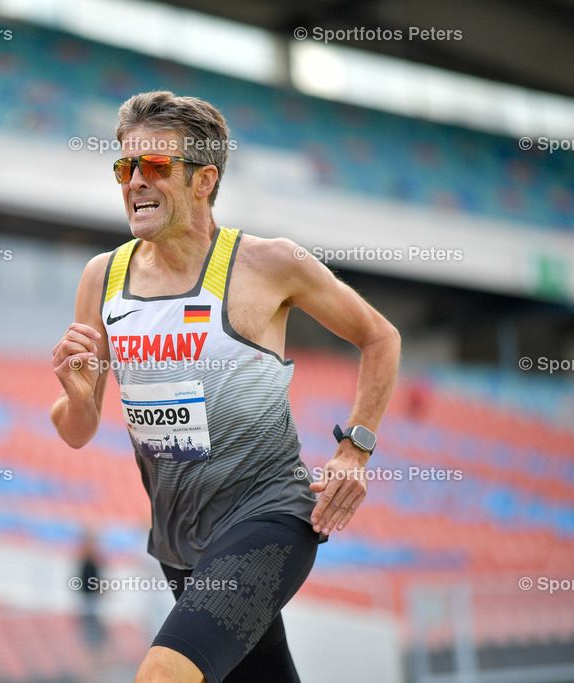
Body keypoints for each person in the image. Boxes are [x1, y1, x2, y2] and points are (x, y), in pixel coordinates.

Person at [51, 91, 401, 683]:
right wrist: (79, 395)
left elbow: (380, 337)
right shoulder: (102, 277)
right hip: (180, 540)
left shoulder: (269, 264)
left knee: (164, 675)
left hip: (271, 516)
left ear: (203, 180)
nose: (134, 181)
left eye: (155, 167)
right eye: (124, 167)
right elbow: (77, 430)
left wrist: (354, 450)